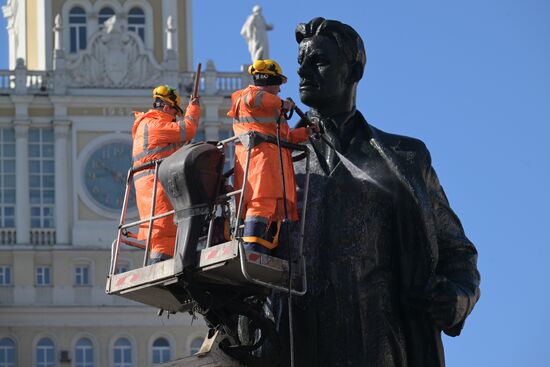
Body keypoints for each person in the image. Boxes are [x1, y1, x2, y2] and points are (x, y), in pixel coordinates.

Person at [266, 18, 481, 367]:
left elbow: (457, 252)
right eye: (300, 61)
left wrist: (457, 296)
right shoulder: (273, 157)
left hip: (378, 344)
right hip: (292, 342)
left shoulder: (406, 159)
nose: (302, 72)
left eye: (318, 61)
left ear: (353, 72)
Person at [227, 59, 318, 254]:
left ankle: (261, 248)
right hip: (259, 165)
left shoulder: (272, 110)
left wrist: (307, 133)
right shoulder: (248, 97)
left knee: (268, 209)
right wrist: (282, 103)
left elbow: (286, 136)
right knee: (260, 205)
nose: (279, 90)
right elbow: (255, 98)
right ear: (269, 81)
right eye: (277, 85)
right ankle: (252, 250)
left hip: (272, 168)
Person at [132, 85, 201, 264]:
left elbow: (175, 143)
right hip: (157, 186)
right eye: (175, 112)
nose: (175, 117)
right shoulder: (153, 124)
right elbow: (188, 129)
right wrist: (193, 108)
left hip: (153, 185)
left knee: (162, 234)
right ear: (166, 106)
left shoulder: (150, 126)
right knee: (164, 233)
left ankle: (161, 266)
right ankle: (159, 268)